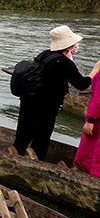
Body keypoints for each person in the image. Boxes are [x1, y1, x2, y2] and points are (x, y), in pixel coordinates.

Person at [14, 25, 98, 161]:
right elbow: (81, 85)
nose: (76, 46)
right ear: (69, 45)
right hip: (46, 106)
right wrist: (95, 70)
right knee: (41, 137)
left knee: (23, 132)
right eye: (75, 44)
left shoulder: (45, 53)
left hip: (28, 98)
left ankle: (16, 154)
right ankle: (37, 163)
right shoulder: (64, 63)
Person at [73, 64, 100, 175]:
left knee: (91, 148)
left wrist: (90, 120)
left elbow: (98, 99)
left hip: (97, 119)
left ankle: (92, 174)